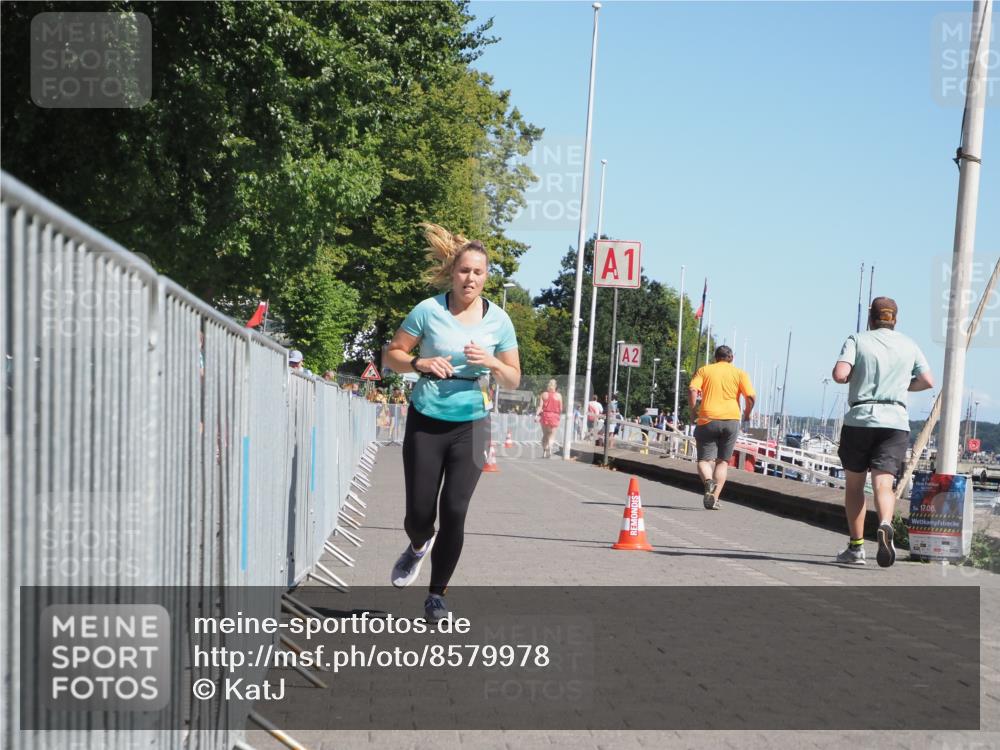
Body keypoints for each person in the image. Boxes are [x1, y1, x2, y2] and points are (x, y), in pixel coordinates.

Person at [384, 223, 520, 620]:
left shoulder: (500, 321)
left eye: (478, 272)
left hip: (473, 425)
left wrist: (492, 362)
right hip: (426, 420)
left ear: (486, 277)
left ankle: (437, 595)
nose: (470, 278)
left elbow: (512, 378)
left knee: (456, 510)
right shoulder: (428, 310)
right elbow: (392, 354)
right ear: (452, 272)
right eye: (464, 271)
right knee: (419, 514)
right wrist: (418, 363)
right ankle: (417, 545)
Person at [832, 297, 933, 567]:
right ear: (895, 319)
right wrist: (902, 387)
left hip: (861, 419)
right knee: (883, 484)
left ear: (871, 317)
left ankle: (856, 549)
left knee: (855, 486)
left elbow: (840, 374)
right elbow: (927, 380)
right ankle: (885, 523)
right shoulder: (909, 344)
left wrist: (855, 376)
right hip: (895, 422)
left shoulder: (857, 339)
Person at [688, 345, 756, 510]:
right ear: (731, 358)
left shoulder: (704, 370)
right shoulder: (740, 373)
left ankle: (708, 482)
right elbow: (751, 396)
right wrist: (747, 413)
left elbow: (692, 389)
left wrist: (693, 410)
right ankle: (714, 498)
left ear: (715, 357)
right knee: (722, 462)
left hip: (707, 419)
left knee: (704, 460)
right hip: (731, 419)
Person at [536, 379, 563, 458]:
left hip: (545, 416)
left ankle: (544, 451)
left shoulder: (544, 394)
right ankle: (550, 449)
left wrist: (537, 415)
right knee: (552, 435)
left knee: (545, 434)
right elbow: (561, 409)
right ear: (555, 386)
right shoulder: (559, 396)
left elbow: (540, 407)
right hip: (555, 416)